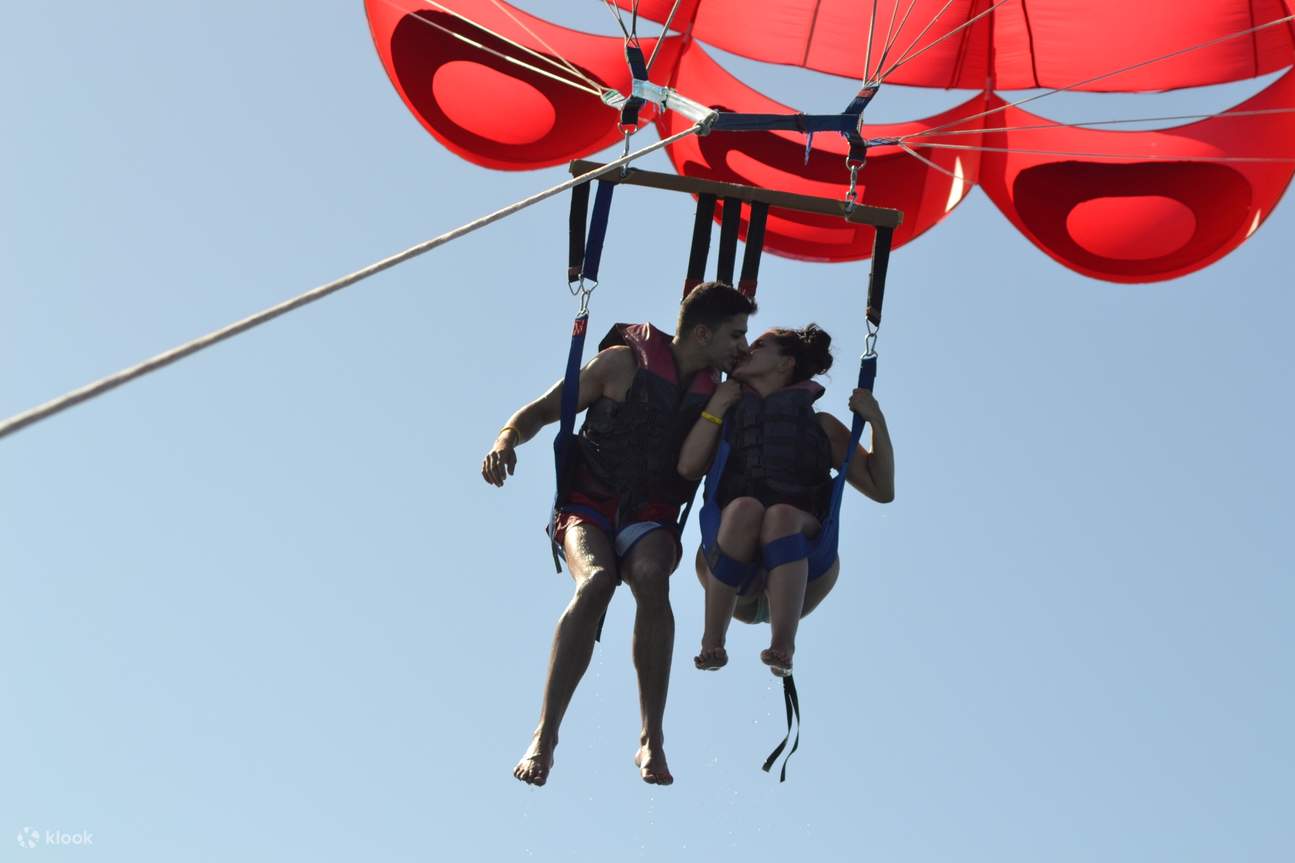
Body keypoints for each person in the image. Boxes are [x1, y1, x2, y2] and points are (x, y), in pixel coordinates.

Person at [482, 282, 756, 786]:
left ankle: (651, 737)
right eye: (736, 334)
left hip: (650, 512)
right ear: (702, 333)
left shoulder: (720, 394)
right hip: (587, 503)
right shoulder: (619, 365)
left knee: (652, 576)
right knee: (597, 582)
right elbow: (544, 410)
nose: (743, 346)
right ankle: (545, 734)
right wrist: (506, 440)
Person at [676, 324, 895, 676]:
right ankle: (712, 640)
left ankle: (783, 647)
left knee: (780, 515)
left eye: (760, 344)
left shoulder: (819, 425)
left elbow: (881, 489)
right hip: (734, 579)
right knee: (745, 509)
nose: (748, 348)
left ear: (785, 364)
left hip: (807, 571)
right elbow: (688, 466)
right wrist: (717, 405)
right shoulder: (728, 413)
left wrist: (876, 421)